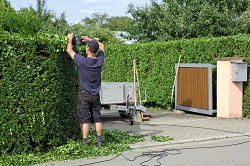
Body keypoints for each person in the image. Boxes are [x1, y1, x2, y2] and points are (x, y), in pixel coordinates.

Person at [66, 33, 104, 147]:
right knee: (97, 117)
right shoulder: (99, 61)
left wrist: (70, 39)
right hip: (95, 94)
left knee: (85, 119)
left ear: (87, 49)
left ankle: (85, 142)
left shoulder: (82, 61)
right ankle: (99, 141)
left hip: (84, 95)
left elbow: (69, 50)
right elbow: (101, 45)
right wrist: (90, 40)